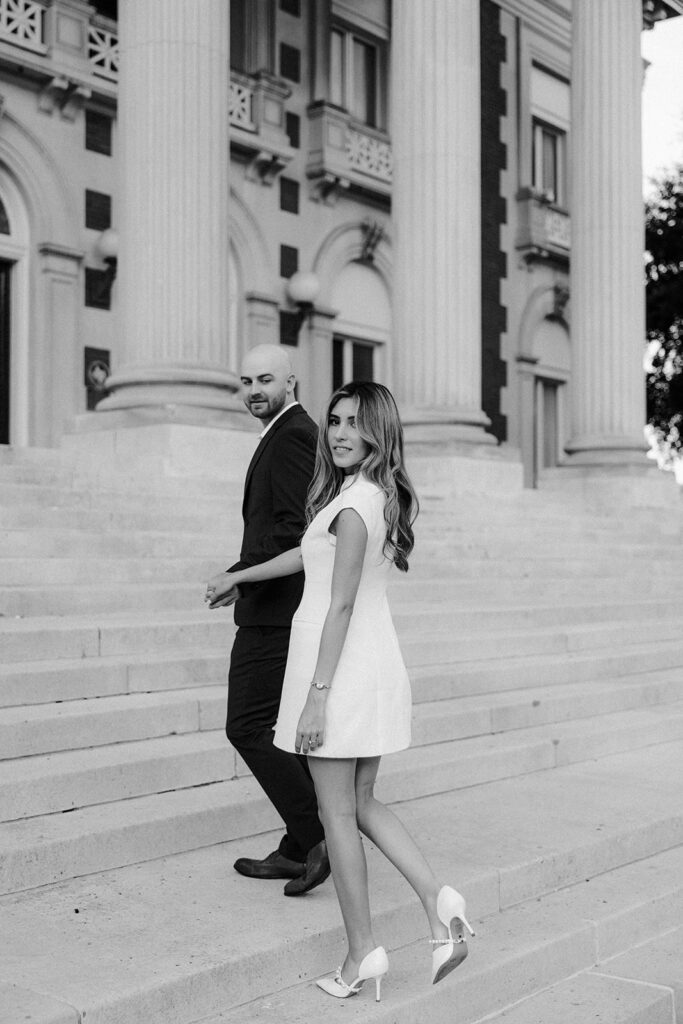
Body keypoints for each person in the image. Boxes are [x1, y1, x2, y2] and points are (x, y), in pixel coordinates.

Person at [206, 381, 474, 1000]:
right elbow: (308, 557)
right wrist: (242, 577)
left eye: (355, 422)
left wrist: (317, 694)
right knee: (363, 802)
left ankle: (361, 955)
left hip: (342, 671)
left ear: (379, 431)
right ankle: (439, 902)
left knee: (337, 816)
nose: (340, 433)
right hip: (369, 665)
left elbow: (341, 603)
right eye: (334, 421)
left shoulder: (353, 506)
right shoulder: (365, 496)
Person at [205, 344, 330, 897]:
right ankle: (299, 848)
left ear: (290, 382)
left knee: (248, 727)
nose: (254, 390)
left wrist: (240, 576)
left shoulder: (294, 435)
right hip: (274, 606)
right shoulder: (283, 433)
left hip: (277, 613)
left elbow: (294, 530)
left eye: (265, 380)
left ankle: (320, 837)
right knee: (272, 730)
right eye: (246, 381)